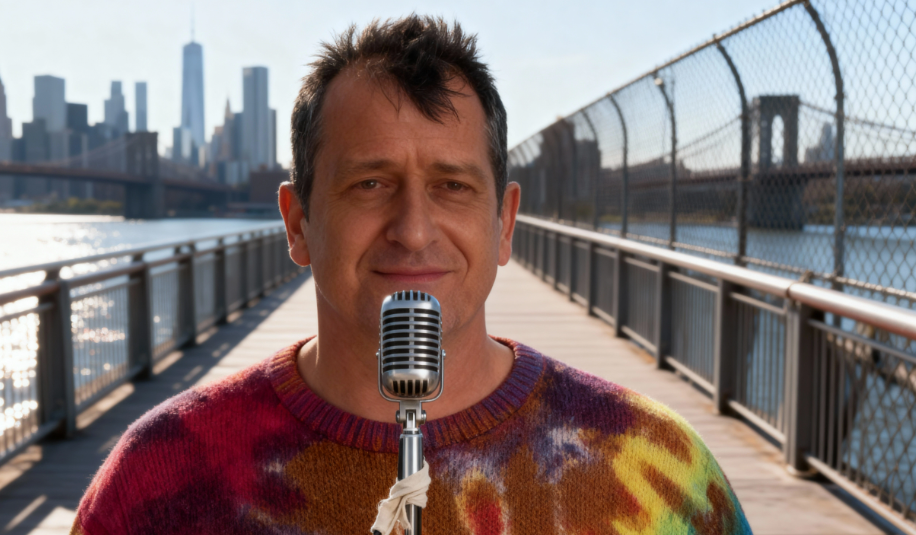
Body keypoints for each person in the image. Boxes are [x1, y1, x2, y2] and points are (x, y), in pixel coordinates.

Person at [70, 15, 751, 534]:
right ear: (298, 223)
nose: (414, 229)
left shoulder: (662, 471)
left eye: (453, 186)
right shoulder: (157, 477)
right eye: (370, 183)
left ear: (504, 223)